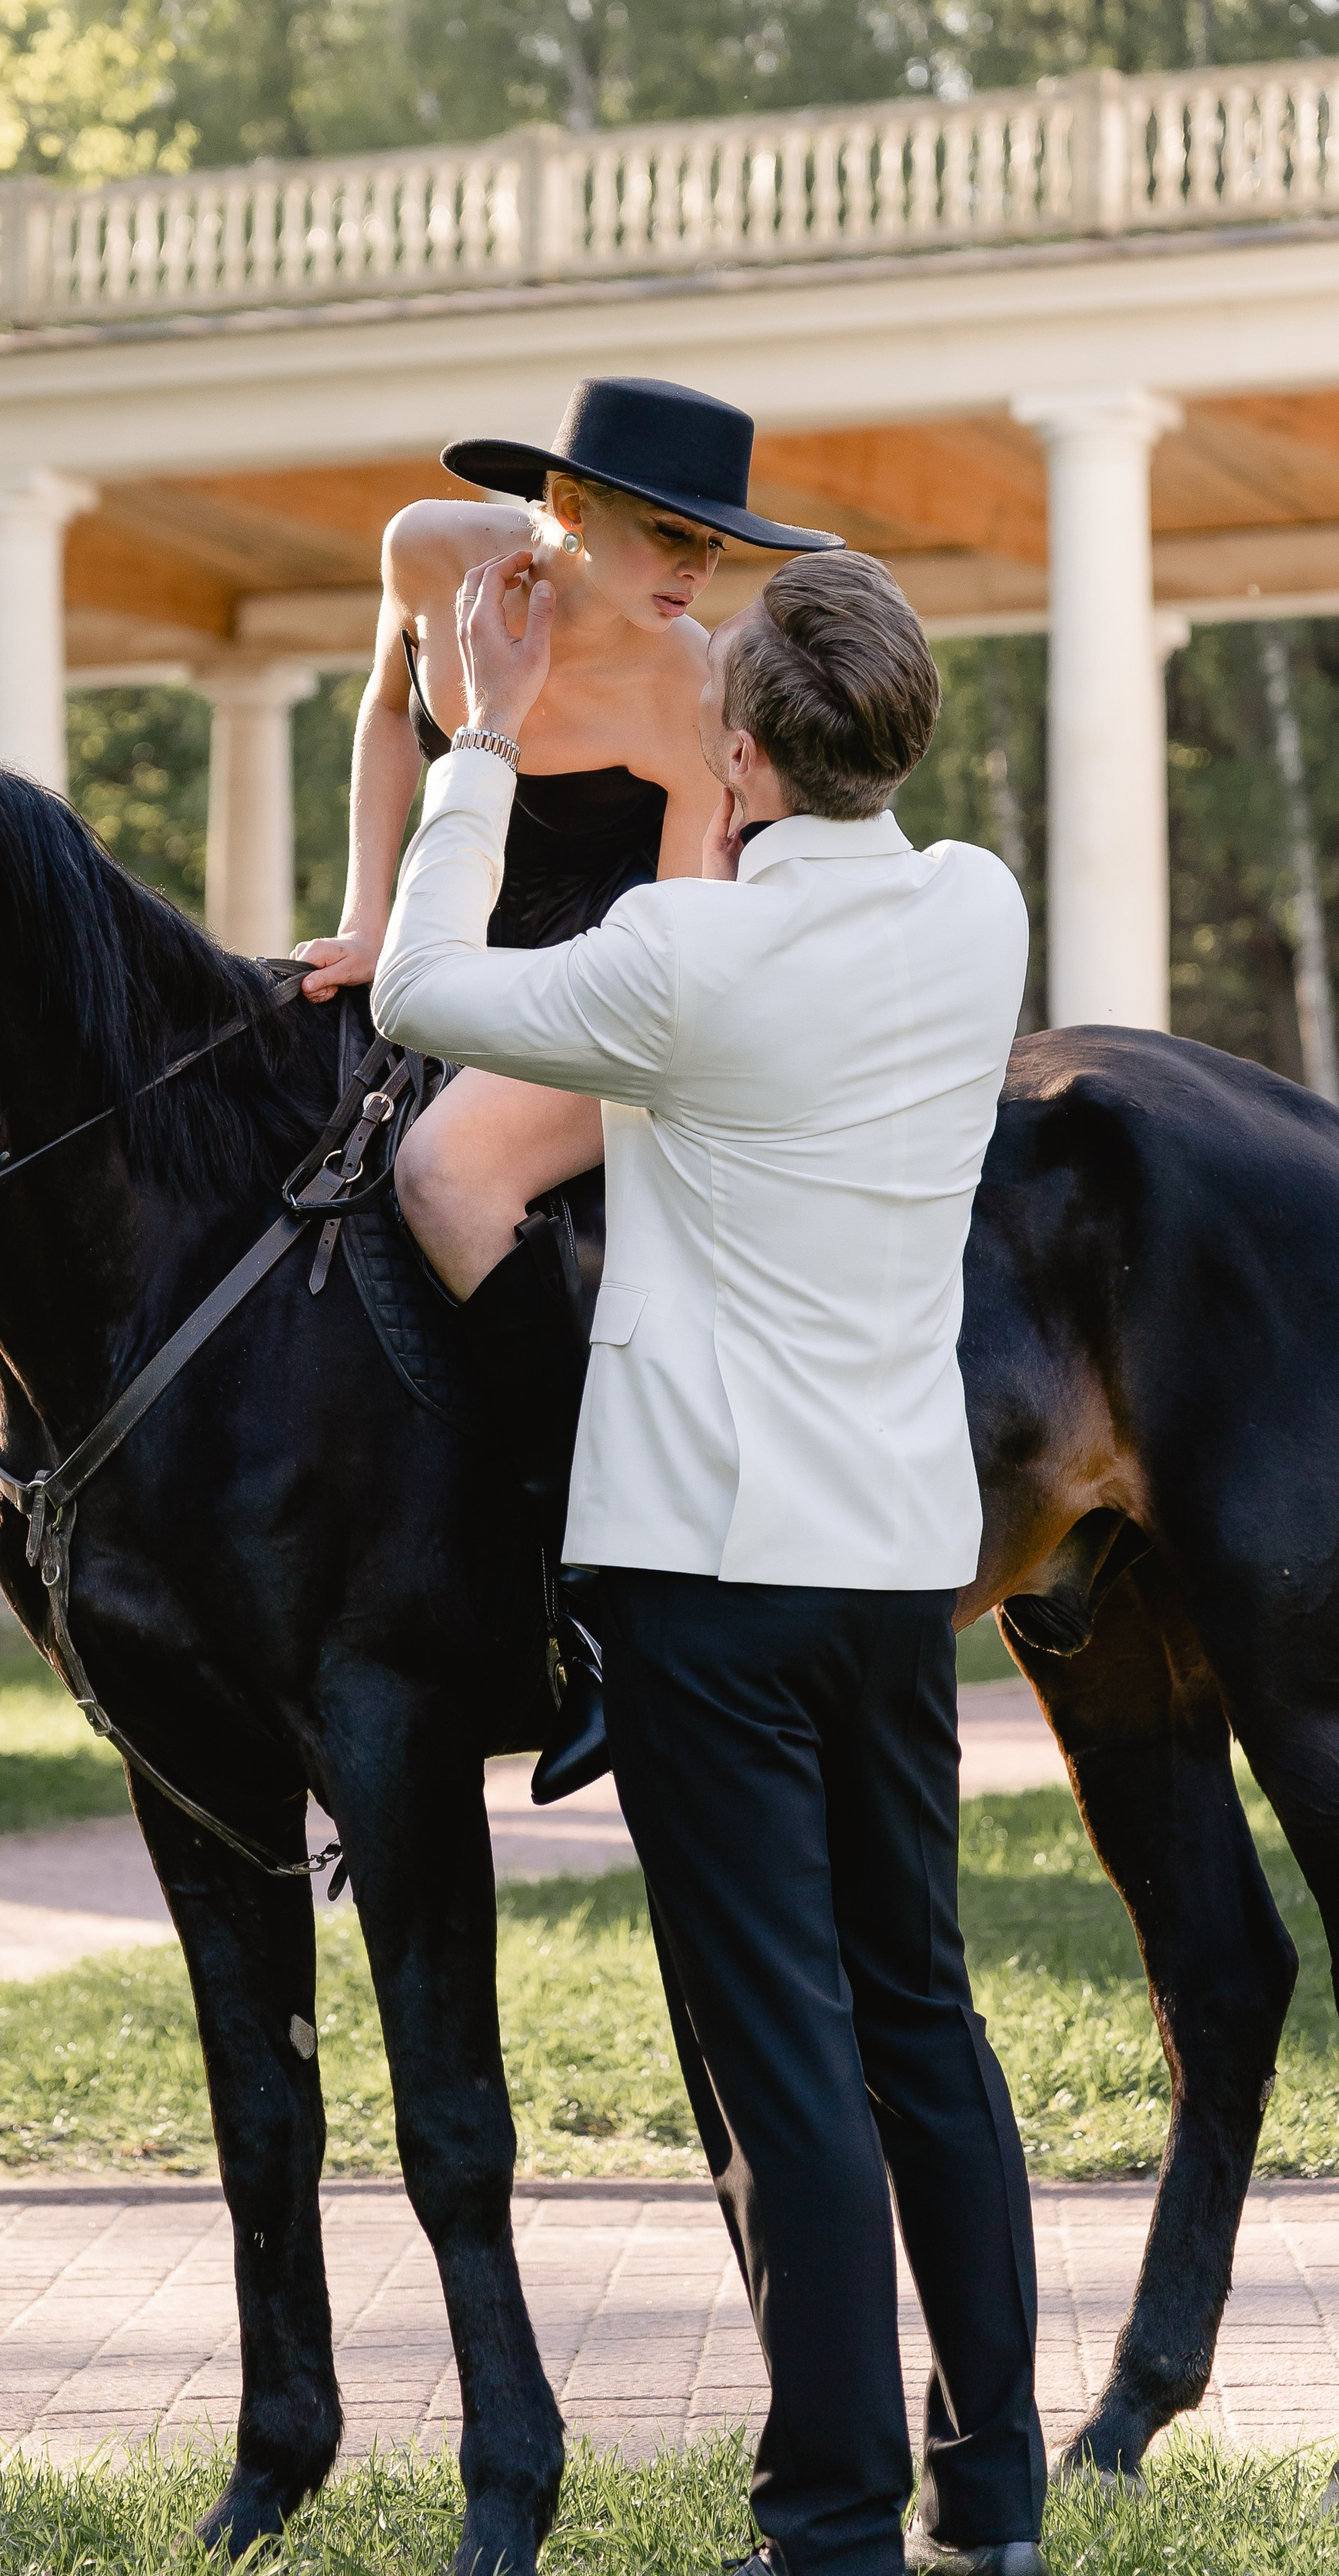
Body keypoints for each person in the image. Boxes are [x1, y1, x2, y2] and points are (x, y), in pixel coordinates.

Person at [371, 546, 1044, 2576]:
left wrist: (481, 732)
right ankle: (993, 2501)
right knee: (921, 2021)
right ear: (905, 729)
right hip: (895, 1573)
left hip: (703, 1587)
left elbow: (414, 997)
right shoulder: (980, 909)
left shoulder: (683, 957)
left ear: (738, 755)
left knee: (787, 2065)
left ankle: (833, 2528)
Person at [298, 378, 838, 1800]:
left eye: (715, 547)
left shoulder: (698, 684)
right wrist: (369, 923)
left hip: (621, 980)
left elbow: (678, 950)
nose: (699, 572)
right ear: (570, 509)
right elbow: (383, 715)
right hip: (440, 936)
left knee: (445, 1174)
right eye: (673, 534)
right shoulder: (430, 551)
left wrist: (501, 1011)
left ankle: (598, 1599)